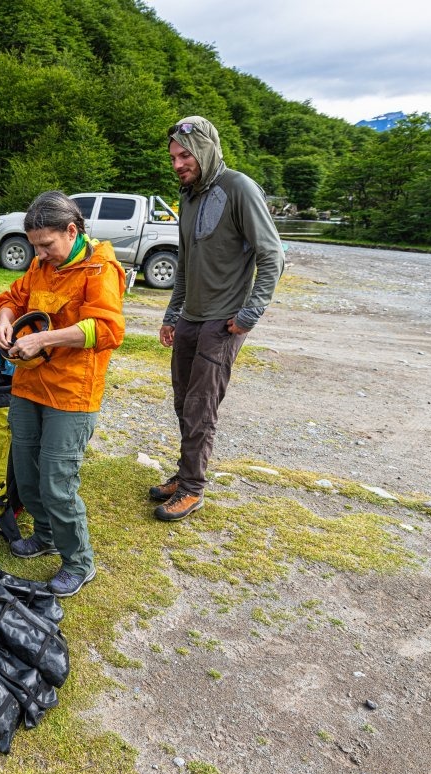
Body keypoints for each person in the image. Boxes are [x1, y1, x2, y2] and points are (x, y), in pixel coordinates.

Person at [0, 191, 125, 597]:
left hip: (72, 394)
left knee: (56, 481)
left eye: (46, 244)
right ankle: (46, 535)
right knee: (27, 472)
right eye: (35, 246)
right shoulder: (41, 265)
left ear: (71, 231)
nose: (40, 254)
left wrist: (43, 339)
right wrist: (5, 321)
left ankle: (79, 562)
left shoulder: (100, 269)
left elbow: (106, 329)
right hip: (29, 385)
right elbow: (12, 299)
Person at [152, 116, 284, 521]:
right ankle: (184, 473)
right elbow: (185, 263)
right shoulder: (188, 195)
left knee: (201, 406)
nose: (177, 164)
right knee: (183, 401)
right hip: (190, 317)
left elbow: (272, 255)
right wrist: (172, 314)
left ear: (206, 150)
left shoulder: (238, 187)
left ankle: (193, 488)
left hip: (223, 321)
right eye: (173, 157)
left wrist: (249, 314)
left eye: (185, 155)